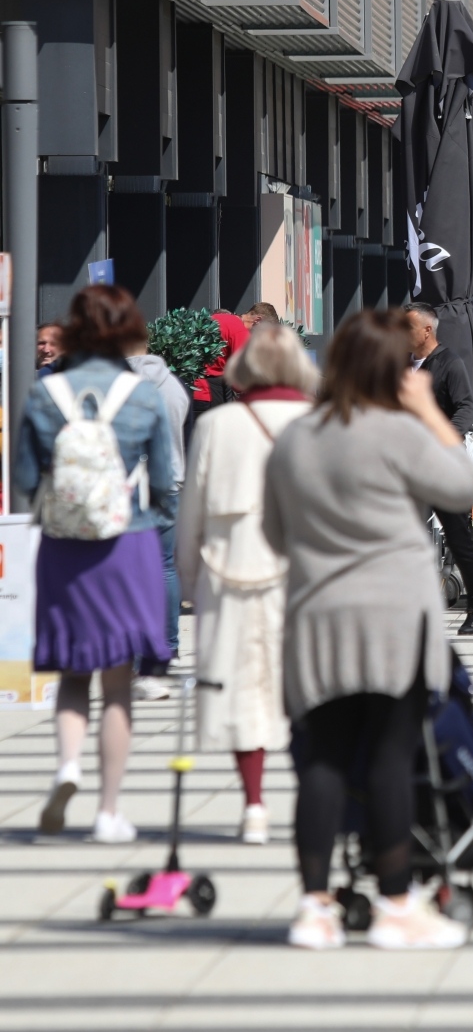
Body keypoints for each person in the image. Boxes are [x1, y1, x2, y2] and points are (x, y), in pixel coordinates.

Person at [263, 309, 473, 951]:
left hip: (317, 620)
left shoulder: (298, 438)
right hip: (393, 621)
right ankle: (394, 906)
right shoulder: (398, 431)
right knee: (390, 758)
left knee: (323, 761)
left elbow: (275, 534)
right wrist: (430, 413)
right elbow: (465, 484)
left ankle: (314, 907)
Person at [21, 285, 177, 843]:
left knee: (71, 672)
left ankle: (66, 767)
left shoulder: (45, 394)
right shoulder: (143, 395)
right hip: (126, 542)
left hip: (64, 544)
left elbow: (24, 477)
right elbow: (163, 480)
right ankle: (109, 811)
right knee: (117, 684)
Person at [179, 322, 317, 845]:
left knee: (240, 694)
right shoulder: (320, 421)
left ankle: (253, 804)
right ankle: (312, 795)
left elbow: (190, 516)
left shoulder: (218, 425)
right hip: (304, 575)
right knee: (304, 690)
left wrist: (192, 585)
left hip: (229, 570)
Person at [405, 302, 473, 637]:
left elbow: (466, 407)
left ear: (427, 330)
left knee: (457, 537)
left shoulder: (448, 362)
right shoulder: (401, 363)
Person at [125, 327, 191, 702]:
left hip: (130, 487)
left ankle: (135, 652)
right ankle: (169, 645)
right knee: (166, 567)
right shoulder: (174, 385)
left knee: (132, 569)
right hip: (171, 483)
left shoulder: (119, 386)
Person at [187, 310, 251, 440]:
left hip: (189, 390)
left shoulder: (210, 319)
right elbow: (241, 374)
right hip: (210, 393)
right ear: (258, 321)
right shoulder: (237, 328)